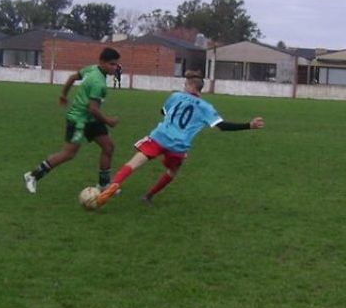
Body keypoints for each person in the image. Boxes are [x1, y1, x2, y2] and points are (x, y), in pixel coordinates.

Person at [95, 71, 265, 208]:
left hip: (159, 137)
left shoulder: (175, 96)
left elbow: (163, 112)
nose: (183, 87)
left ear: (191, 86)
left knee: (134, 163)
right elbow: (222, 126)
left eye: (185, 85)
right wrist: (248, 125)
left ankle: (114, 184)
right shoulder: (206, 107)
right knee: (172, 172)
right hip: (178, 146)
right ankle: (148, 196)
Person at [23, 48, 121, 194]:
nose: (115, 68)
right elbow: (93, 108)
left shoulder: (92, 69)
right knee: (68, 153)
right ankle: (32, 175)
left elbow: (72, 78)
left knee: (108, 147)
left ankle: (104, 185)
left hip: (91, 119)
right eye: (112, 64)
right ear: (102, 62)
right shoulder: (97, 83)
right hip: (79, 120)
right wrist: (109, 121)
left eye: (116, 65)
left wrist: (63, 95)